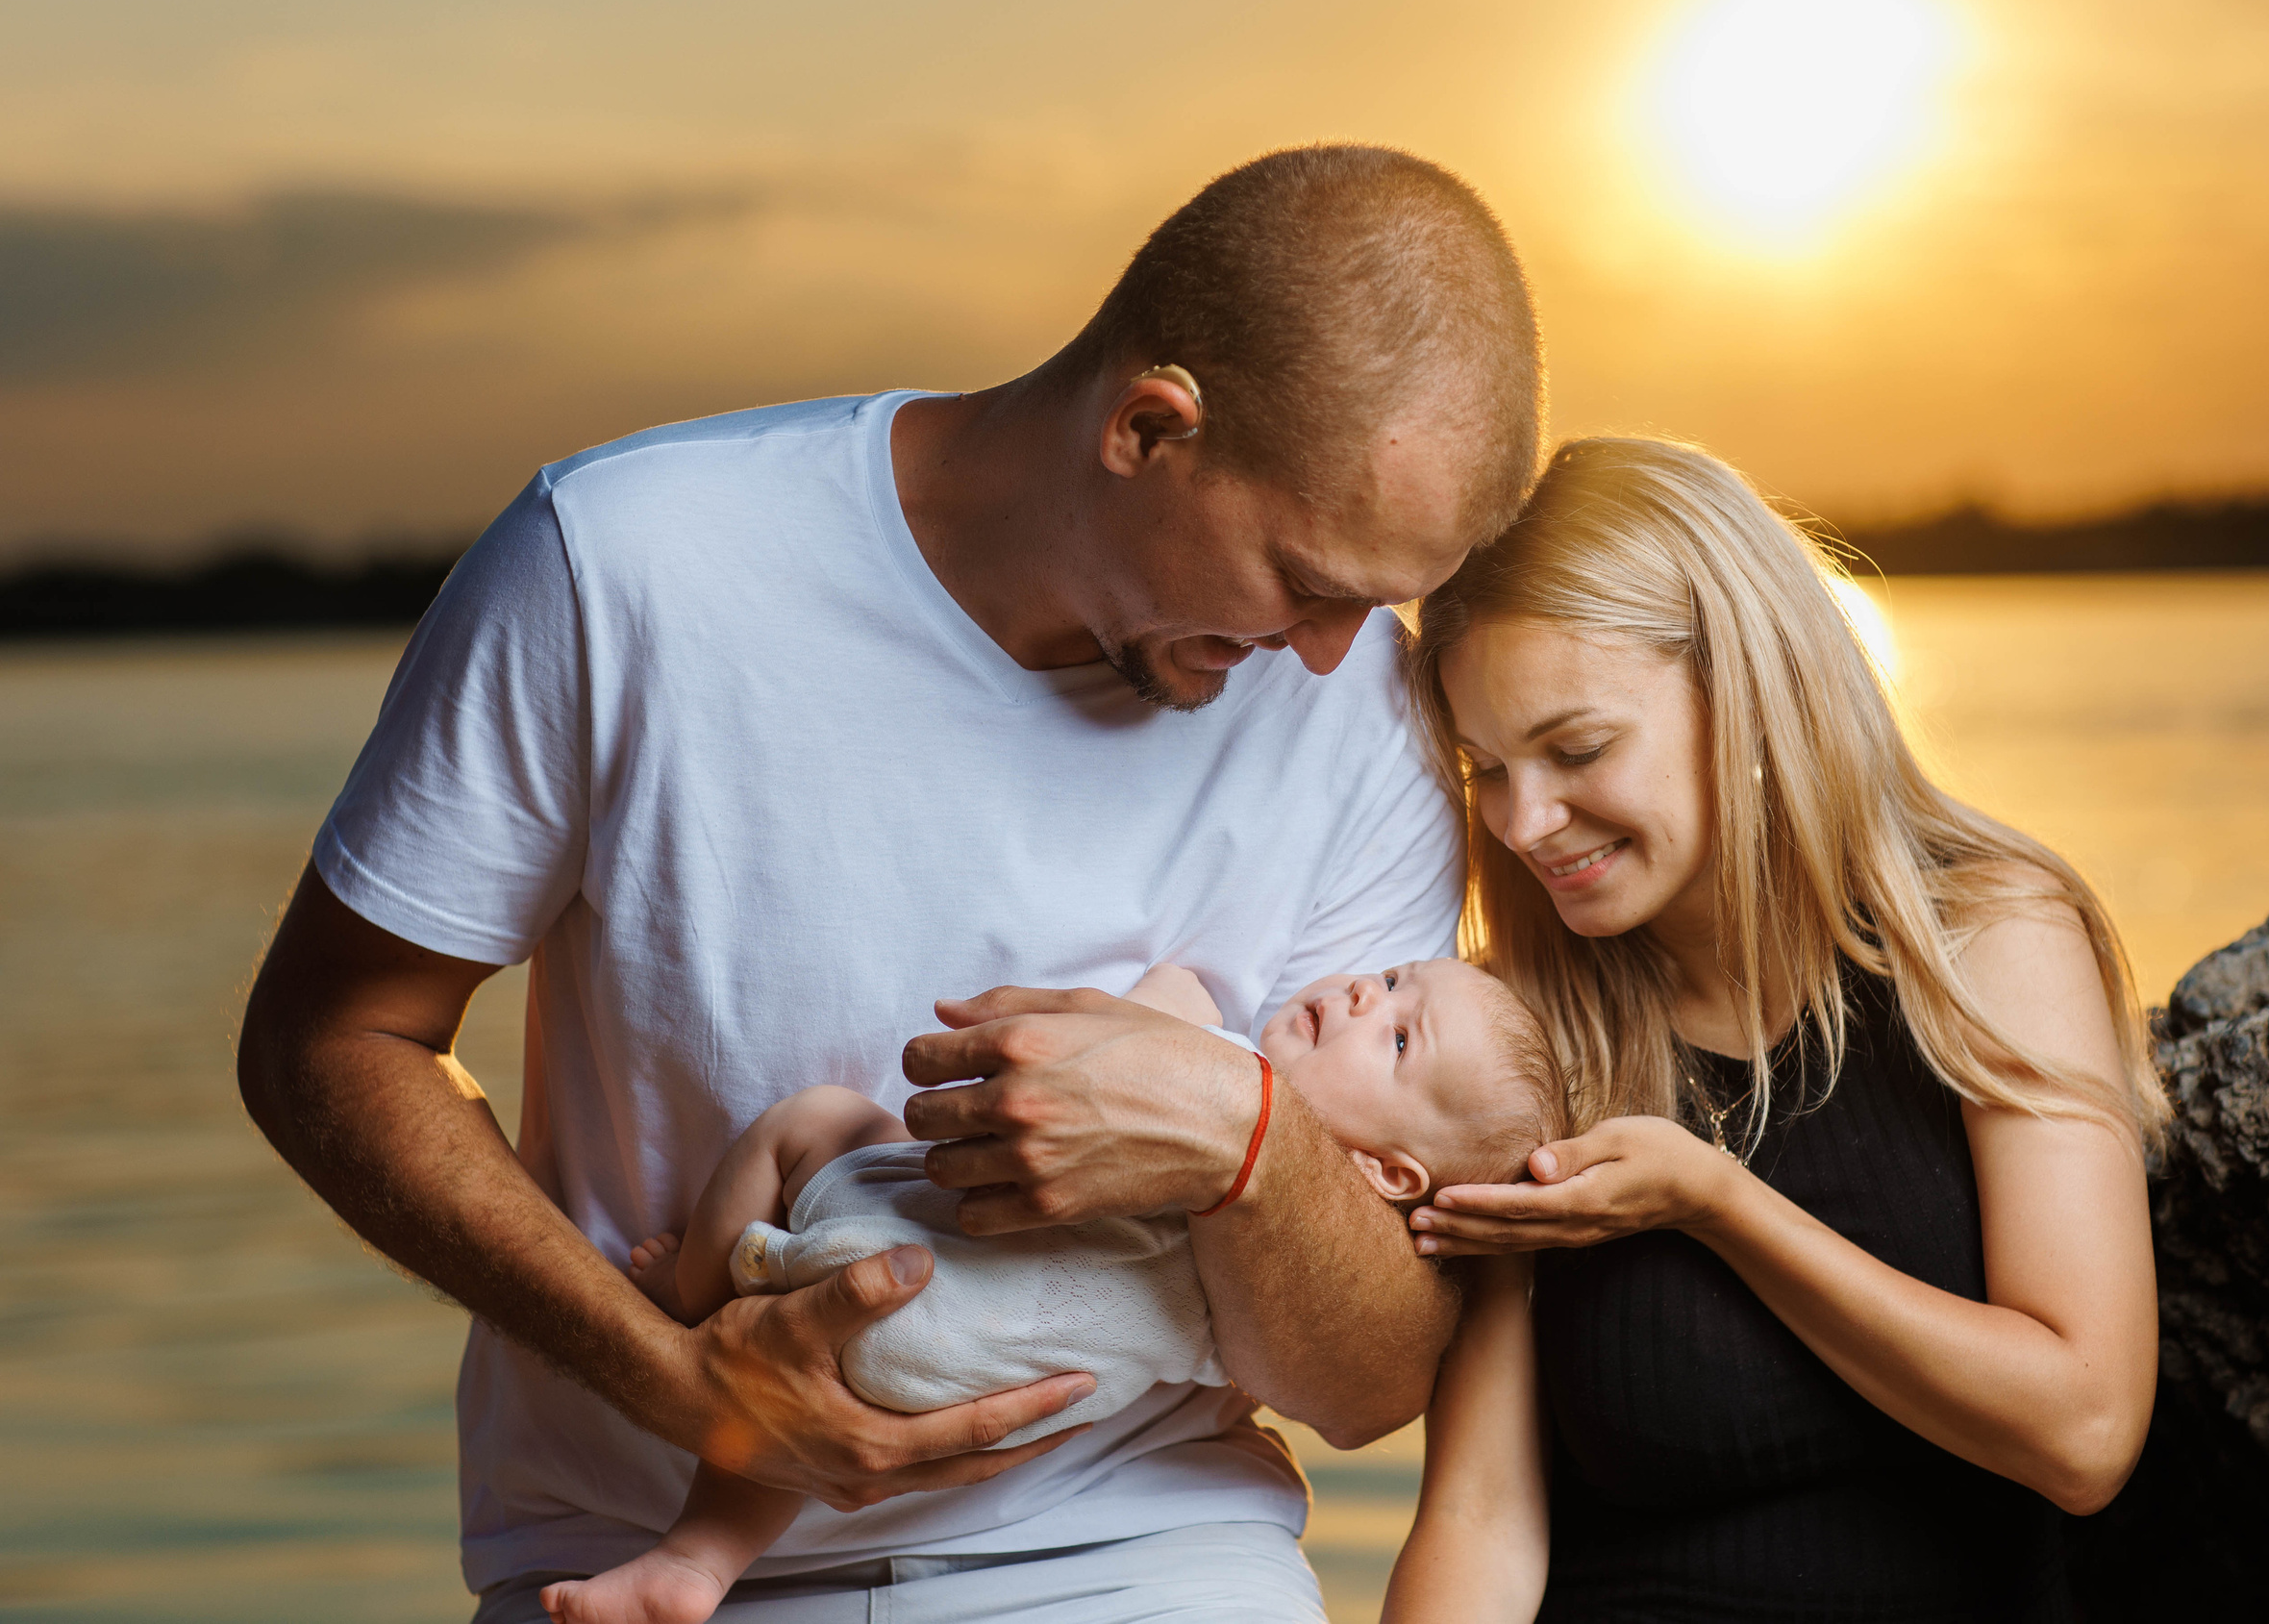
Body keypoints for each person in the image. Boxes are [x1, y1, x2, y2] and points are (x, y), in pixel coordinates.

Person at [235, 144, 1544, 1623]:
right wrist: (679, 1380)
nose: (1327, 649)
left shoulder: (1364, 708)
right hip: (635, 1559)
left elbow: (1366, 1386)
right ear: (1147, 425)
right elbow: (331, 1038)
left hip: (1144, 1555)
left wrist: (1251, 1144)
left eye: (1376, 601)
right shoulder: (622, 567)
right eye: (1306, 578)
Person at [1381, 437, 2169, 1622]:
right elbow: (1481, 1519)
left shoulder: (1988, 941)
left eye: (1577, 749)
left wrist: (1719, 1205)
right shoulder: (1523, 1029)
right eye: (1484, 767)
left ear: (1747, 693)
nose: (1525, 821)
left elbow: (2083, 1431)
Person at [546, 958, 1564, 1624]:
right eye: (1388, 980)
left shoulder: (1222, 1075)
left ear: (1387, 1176)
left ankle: (695, 1287)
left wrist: (1182, 994)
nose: (1358, 997)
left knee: (813, 1122)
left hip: (871, 1254)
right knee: (840, 1392)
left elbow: (1149, 1014)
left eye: (1395, 1037)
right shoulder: (1259, 1273)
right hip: (986, 1402)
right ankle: (692, 1567)